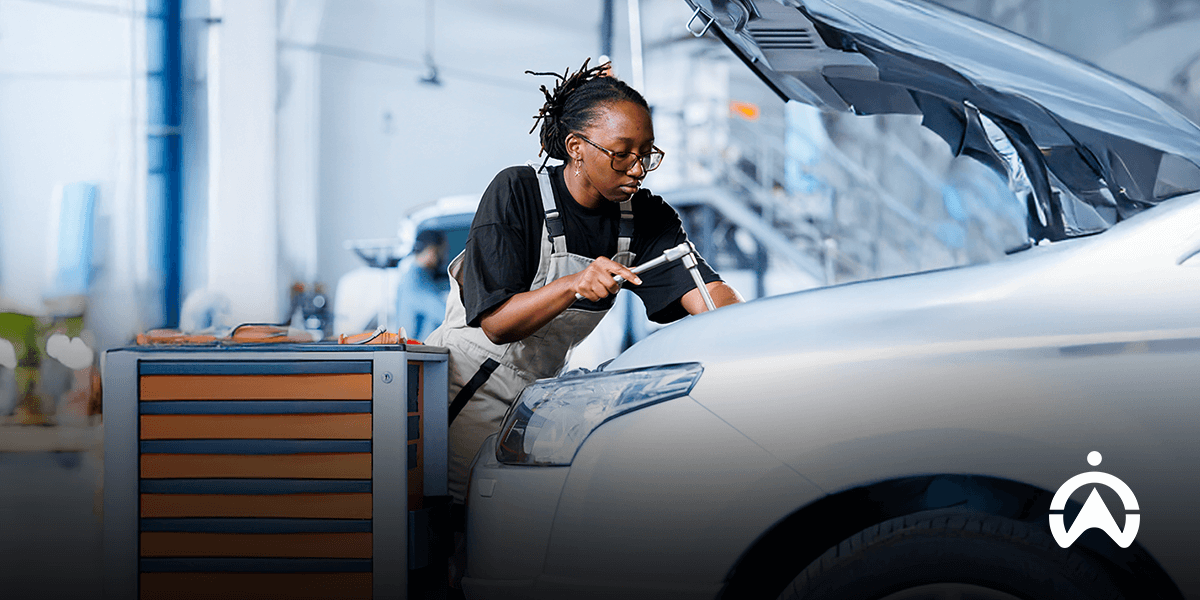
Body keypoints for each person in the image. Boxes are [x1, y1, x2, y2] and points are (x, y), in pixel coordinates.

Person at [425, 59, 743, 504]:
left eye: (646, 153)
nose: (637, 169)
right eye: (622, 153)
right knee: (461, 526)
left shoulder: (645, 218)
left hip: (535, 399)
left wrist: (744, 332)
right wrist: (573, 284)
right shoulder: (518, 193)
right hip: (468, 388)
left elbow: (704, 290)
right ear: (576, 147)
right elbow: (496, 324)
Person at [395, 229, 449, 341]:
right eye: (442, 251)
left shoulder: (422, 276)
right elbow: (444, 314)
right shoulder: (415, 281)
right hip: (416, 353)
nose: (444, 256)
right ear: (431, 250)